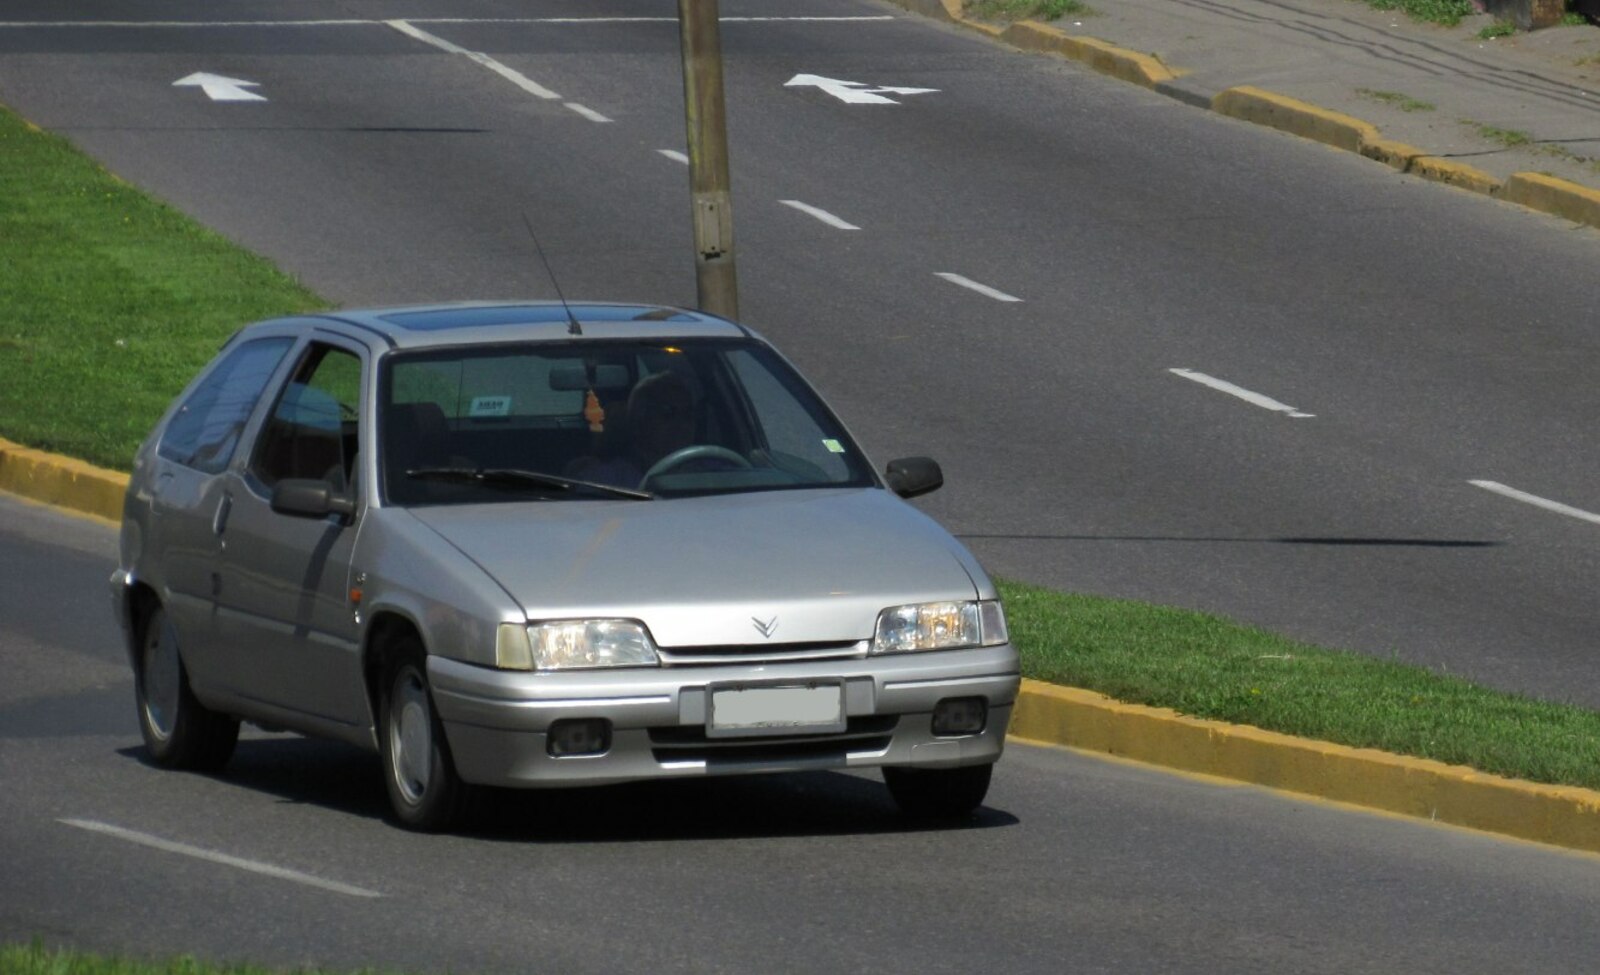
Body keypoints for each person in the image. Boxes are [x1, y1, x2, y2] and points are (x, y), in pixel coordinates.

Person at [567, 371, 697, 489]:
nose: (681, 424)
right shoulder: (605, 479)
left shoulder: (711, 472)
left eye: (688, 414)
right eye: (667, 413)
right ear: (640, 419)